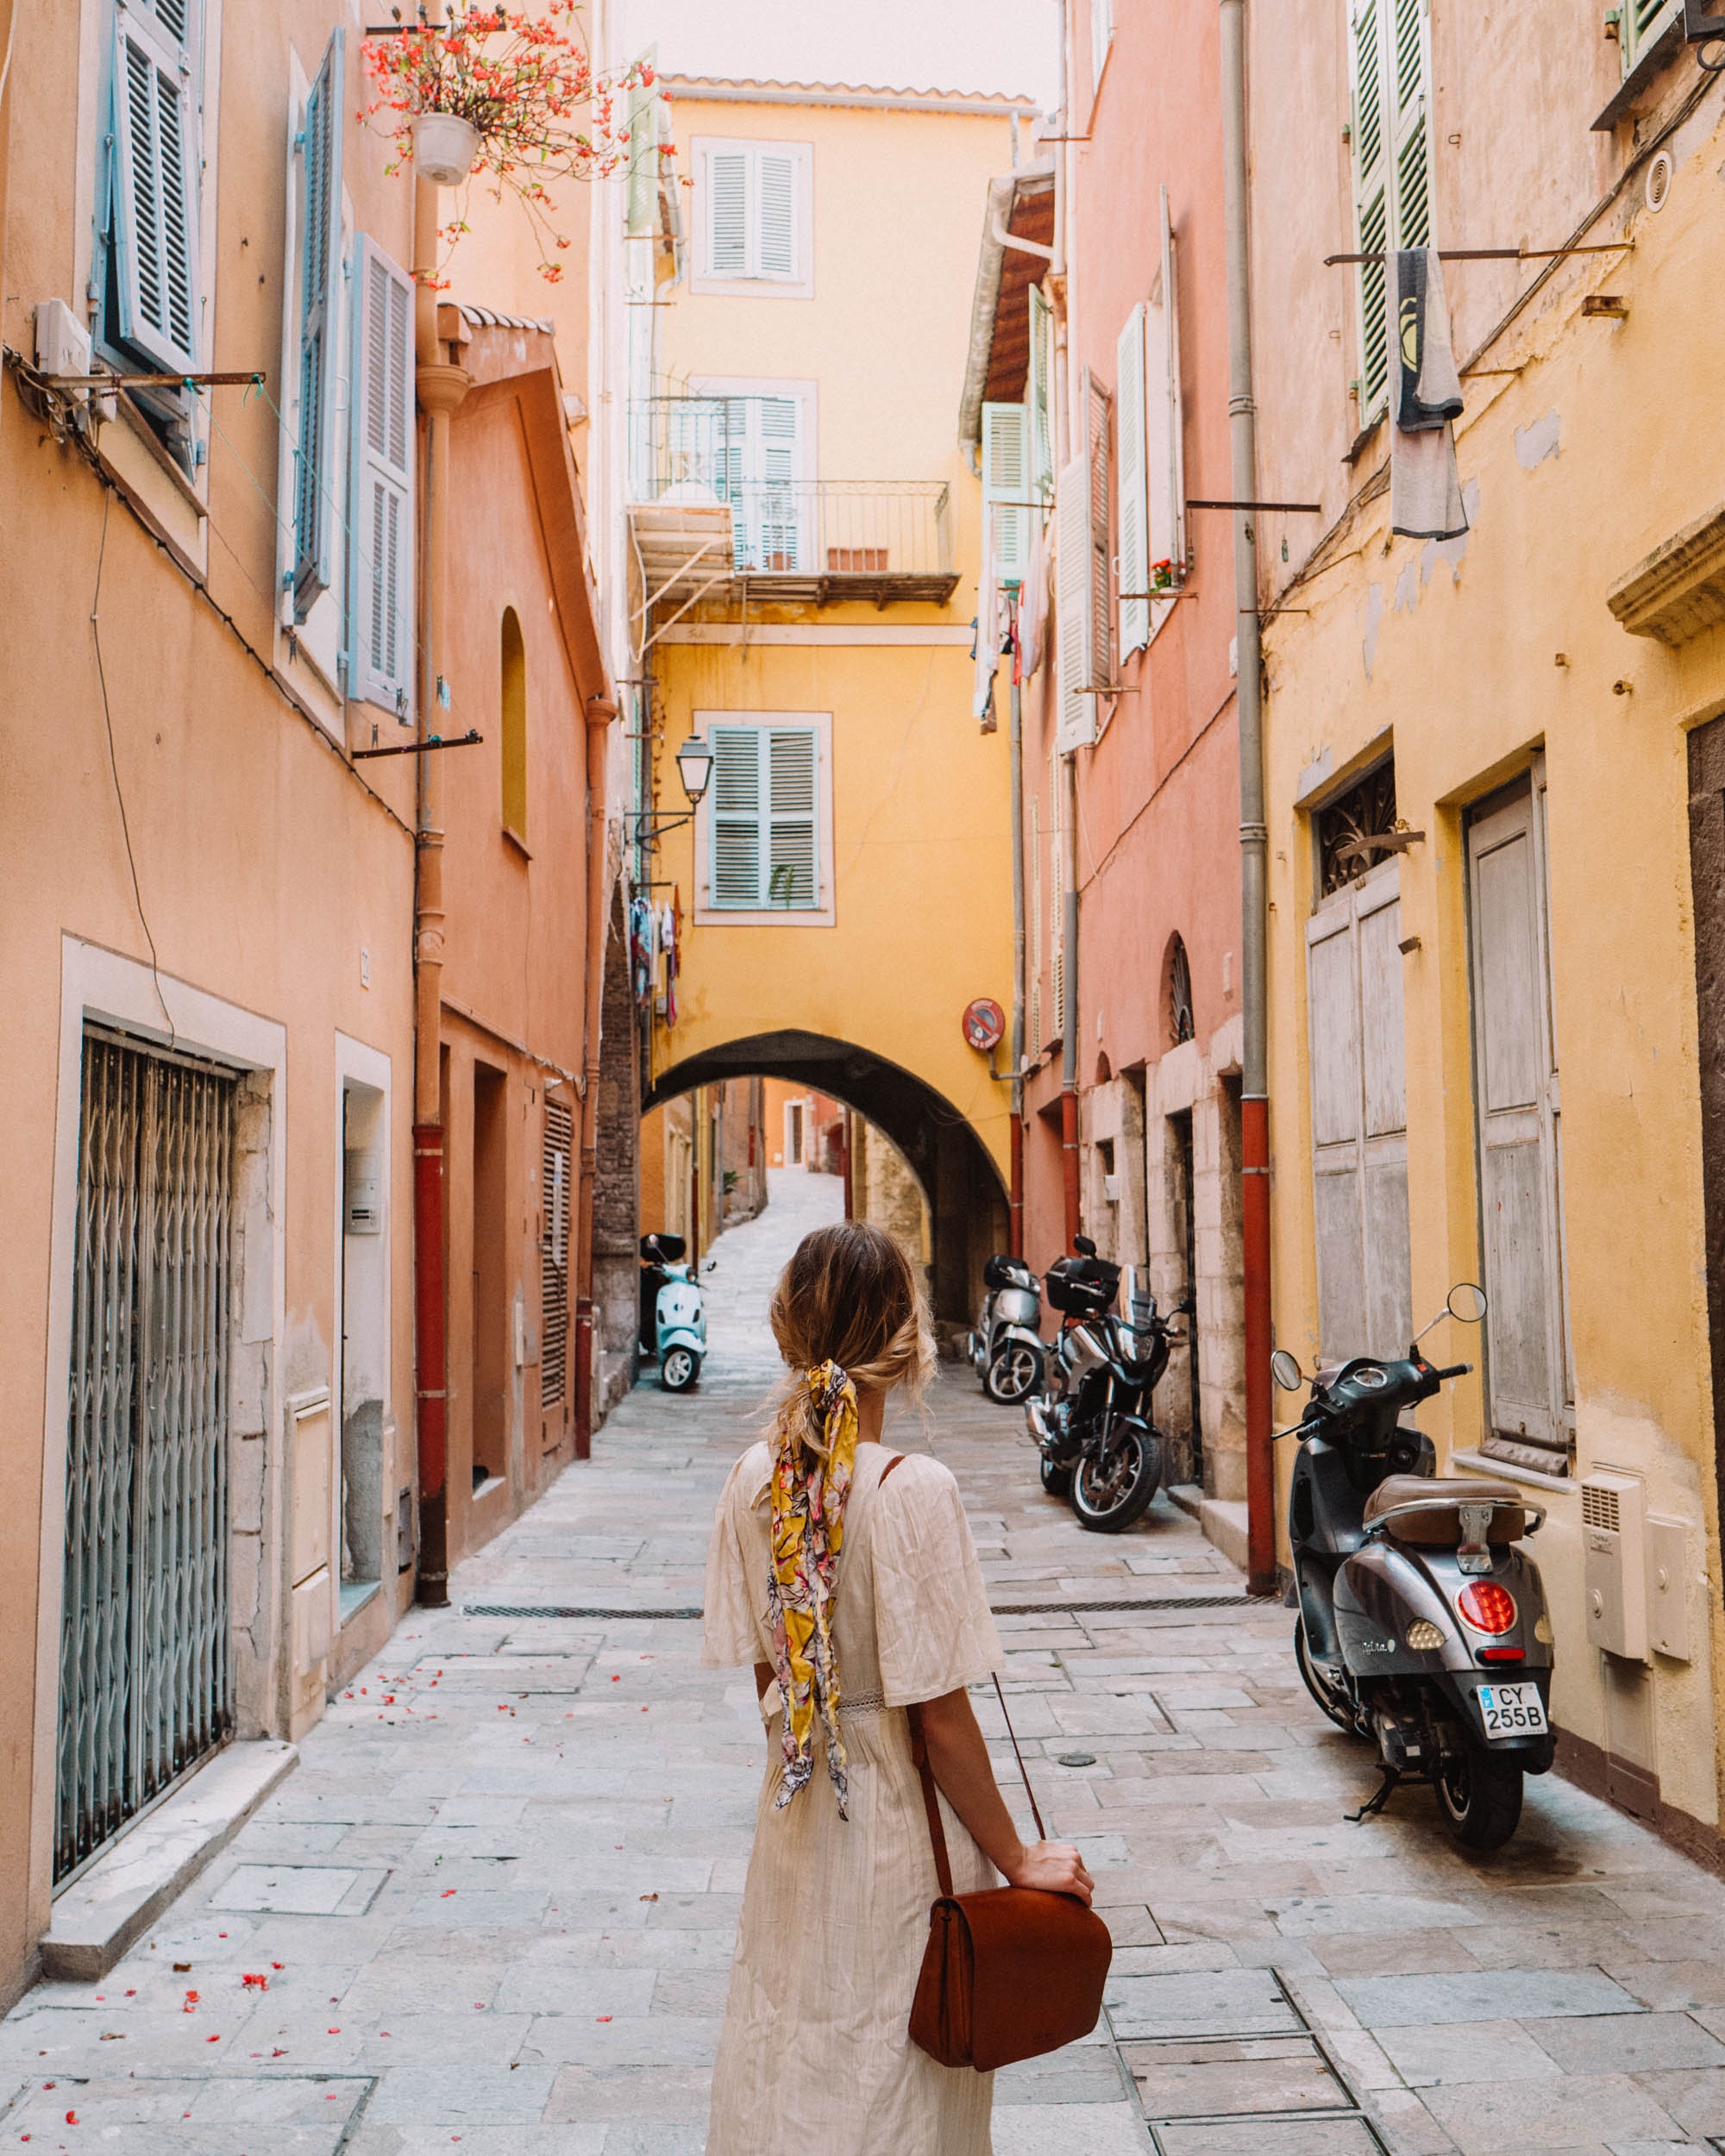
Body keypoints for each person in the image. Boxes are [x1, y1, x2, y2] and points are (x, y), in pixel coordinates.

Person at [701, 1220, 1094, 2156]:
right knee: (901, 2071)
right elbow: (942, 1720)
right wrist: (1015, 1859)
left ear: (786, 1329)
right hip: (896, 1832)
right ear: (907, 1337)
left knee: (793, 2042)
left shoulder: (752, 1478)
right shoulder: (913, 1489)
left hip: (795, 1818)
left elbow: (771, 1674)